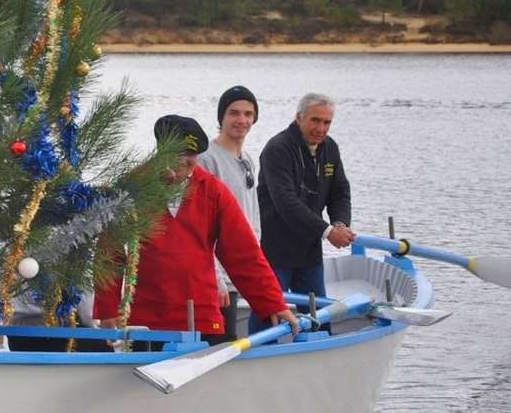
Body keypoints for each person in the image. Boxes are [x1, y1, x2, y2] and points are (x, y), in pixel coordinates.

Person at [94, 115, 299, 345]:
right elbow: (109, 254)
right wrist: (107, 311)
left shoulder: (213, 191)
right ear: (160, 150)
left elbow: (243, 253)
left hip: (201, 316)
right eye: (176, 152)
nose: (183, 160)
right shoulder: (132, 187)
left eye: (190, 154)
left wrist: (272, 303)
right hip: (145, 320)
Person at [257, 92, 353, 315]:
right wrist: (327, 231)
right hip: (275, 249)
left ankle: (319, 347)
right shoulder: (277, 149)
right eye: (315, 120)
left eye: (327, 122)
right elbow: (285, 201)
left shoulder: (329, 148)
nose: (321, 128)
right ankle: (264, 348)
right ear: (298, 117)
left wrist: (339, 223)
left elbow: (340, 191)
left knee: (317, 314)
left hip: (309, 250)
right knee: (268, 313)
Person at [198, 85, 261, 340]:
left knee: (234, 344)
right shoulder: (206, 159)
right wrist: (216, 277)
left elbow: (252, 215)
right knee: (218, 345)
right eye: (234, 113)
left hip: (241, 272)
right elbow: (201, 226)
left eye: (248, 114)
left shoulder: (247, 159)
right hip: (218, 278)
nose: (241, 120)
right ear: (221, 117)